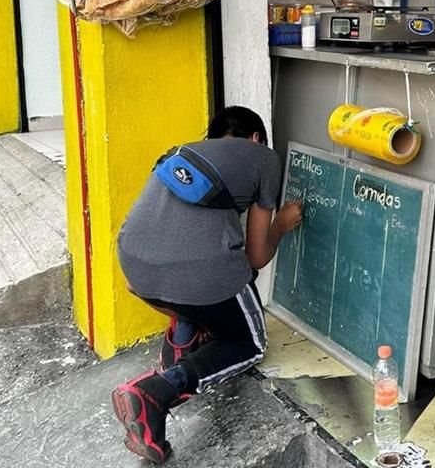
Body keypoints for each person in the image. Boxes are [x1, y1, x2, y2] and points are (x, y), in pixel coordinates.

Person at [109, 106, 302, 463]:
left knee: (200, 283)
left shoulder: (184, 151)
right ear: (256, 137)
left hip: (135, 269)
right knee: (249, 342)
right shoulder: (264, 158)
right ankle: (157, 390)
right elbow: (256, 257)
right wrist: (282, 225)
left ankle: (182, 340)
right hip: (194, 274)